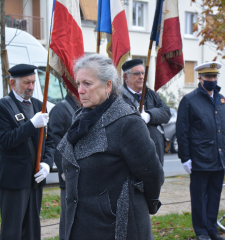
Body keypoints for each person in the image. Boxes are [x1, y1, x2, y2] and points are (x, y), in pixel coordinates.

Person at [57, 54, 164, 240]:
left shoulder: (127, 122)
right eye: (78, 83)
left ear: (108, 86)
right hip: (79, 221)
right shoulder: (81, 117)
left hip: (115, 225)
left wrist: (138, 203)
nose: (80, 90)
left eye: (87, 84)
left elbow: (152, 174)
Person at [0, 64, 55, 240]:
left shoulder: (40, 105)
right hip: (13, 181)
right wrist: (31, 124)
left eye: (33, 82)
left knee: (32, 231)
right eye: (26, 83)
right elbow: (6, 141)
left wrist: (47, 163)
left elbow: (50, 140)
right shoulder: (3, 107)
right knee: (12, 231)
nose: (31, 87)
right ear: (12, 84)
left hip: (35, 179)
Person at [176, 62, 225, 240]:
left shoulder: (221, 99)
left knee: (214, 196)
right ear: (200, 78)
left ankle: (212, 230)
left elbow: (224, 130)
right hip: (199, 158)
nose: (212, 80)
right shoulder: (189, 100)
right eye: (208, 77)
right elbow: (182, 131)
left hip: (219, 158)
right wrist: (185, 157)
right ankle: (201, 231)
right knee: (199, 197)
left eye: (214, 77)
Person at [121, 59, 171, 166]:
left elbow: (166, 113)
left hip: (155, 152)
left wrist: (149, 115)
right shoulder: (118, 98)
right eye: (136, 73)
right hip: (133, 153)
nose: (141, 76)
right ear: (126, 77)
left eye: (143, 73)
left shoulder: (152, 94)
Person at [49, 90, 80, 240]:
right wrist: (64, 171)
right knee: (69, 220)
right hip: (68, 173)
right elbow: (55, 143)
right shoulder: (59, 110)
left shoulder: (88, 107)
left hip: (85, 173)